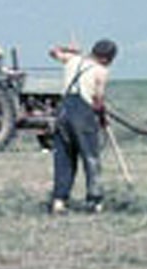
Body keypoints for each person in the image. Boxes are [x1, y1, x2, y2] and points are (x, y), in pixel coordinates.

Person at [47, 38, 116, 214]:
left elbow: (53, 51)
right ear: (106, 58)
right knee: (91, 158)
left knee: (64, 159)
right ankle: (94, 201)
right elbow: (98, 100)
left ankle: (59, 201)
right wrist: (102, 117)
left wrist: (70, 50)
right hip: (83, 115)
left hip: (63, 113)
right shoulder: (101, 71)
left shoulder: (72, 60)